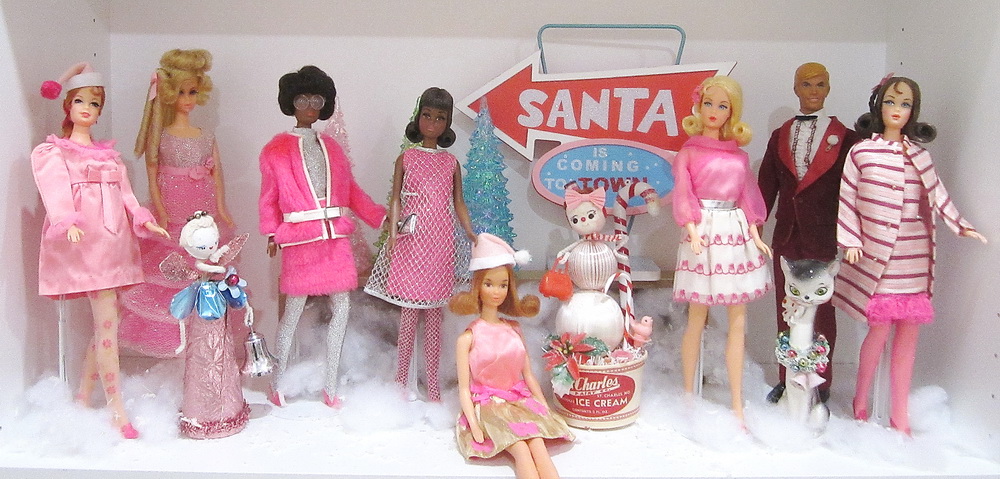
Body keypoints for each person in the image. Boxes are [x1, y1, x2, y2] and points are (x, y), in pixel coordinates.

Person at [834, 76, 986, 435]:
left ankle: (899, 415)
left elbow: (938, 195)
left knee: (907, 338)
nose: (897, 110)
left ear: (913, 111)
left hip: (913, 252)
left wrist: (960, 225)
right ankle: (861, 399)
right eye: (890, 102)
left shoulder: (920, 156)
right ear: (878, 105)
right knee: (878, 331)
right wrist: (850, 240)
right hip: (876, 253)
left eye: (905, 104)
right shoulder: (861, 152)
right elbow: (847, 199)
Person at [33, 62, 169, 438]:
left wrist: (144, 219)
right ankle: (117, 410)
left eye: (94, 104)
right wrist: (67, 221)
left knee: (107, 324)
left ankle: (83, 395)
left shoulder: (108, 157)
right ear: (67, 105)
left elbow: (127, 196)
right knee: (107, 324)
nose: (87, 109)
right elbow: (55, 191)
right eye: (80, 101)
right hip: (86, 245)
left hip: (115, 243)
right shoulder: (56, 153)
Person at [259, 65, 387, 407]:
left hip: (335, 239)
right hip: (300, 239)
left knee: (342, 307)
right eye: (303, 100)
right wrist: (271, 232)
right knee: (292, 312)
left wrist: (379, 216)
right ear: (291, 102)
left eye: (316, 100)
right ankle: (277, 382)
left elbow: (351, 191)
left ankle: (330, 386)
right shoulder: (276, 149)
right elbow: (269, 196)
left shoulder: (331, 147)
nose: (310, 107)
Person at [119, 48, 239, 358]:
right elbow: (152, 175)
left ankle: (203, 340)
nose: (188, 99)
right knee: (172, 275)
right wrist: (159, 210)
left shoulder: (206, 134)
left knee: (204, 271)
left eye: (193, 92)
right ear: (170, 93)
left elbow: (217, 174)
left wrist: (222, 208)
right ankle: (176, 343)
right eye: (182, 92)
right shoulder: (160, 136)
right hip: (172, 212)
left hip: (204, 211)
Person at [671, 75, 773, 423]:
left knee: (737, 320)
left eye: (723, 105)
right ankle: (688, 395)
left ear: (732, 111)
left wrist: (755, 233)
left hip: (734, 230)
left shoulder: (739, 157)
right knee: (696, 318)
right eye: (709, 103)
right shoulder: (689, 152)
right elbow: (683, 193)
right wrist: (691, 229)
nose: (714, 111)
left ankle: (737, 402)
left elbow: (747, 196)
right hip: (702, 229)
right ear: (699, 107)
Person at [365, 87, 477, 402]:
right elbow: (396, 199)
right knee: (409, 315)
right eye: (427, 116)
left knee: (434, 317)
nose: (432, 123)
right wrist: (392, 233)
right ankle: (401, 381)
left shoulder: (451, 163)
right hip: (411, 243)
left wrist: (470, 232)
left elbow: (458, 202)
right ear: (418, 117)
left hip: (440, 243)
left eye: (440, 118)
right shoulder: (407, 158)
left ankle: (434, 386)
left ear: (447, 123)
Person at [757, 62, 860, 403]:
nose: (813, 91)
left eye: (820, 84)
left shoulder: (846, 138)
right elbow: (766, 186)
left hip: (824, 236)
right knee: (786, 308)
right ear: (795, 88)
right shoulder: (780, 135)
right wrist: (755, 227)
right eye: (806, 84)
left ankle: (821, 380)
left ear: (828, 89)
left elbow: (853, 189)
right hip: (787, 234)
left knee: (822, 310)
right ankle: (787, 377)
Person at [451, 233, 573, 479]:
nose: (496, 292)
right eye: (489, 284)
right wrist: (474, 424)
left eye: (503, 285)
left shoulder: (514, 329)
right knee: (519, 448)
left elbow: (528, 374)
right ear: (478, 286)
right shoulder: (468, 338)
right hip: (489, 407)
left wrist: (544, 405)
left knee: (538, 445)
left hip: (520, 402)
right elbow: (464, 388)